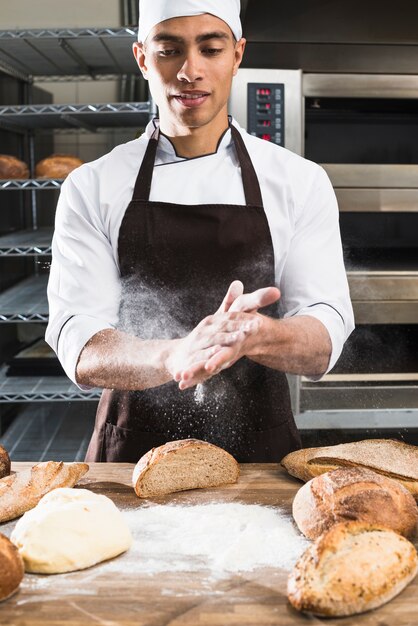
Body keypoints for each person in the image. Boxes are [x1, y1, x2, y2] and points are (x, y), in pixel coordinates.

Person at [46, 0, 354, 463]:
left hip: (259, 458)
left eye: (210, 49)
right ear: (143, 59)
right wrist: (174, 355)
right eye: (170, 50)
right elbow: (82, 343)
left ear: (237, 55)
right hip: (131, 459)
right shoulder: (92, 186)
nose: (190, 71)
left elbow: (324, 333)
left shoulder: (298, 181)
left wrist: (254, 335)